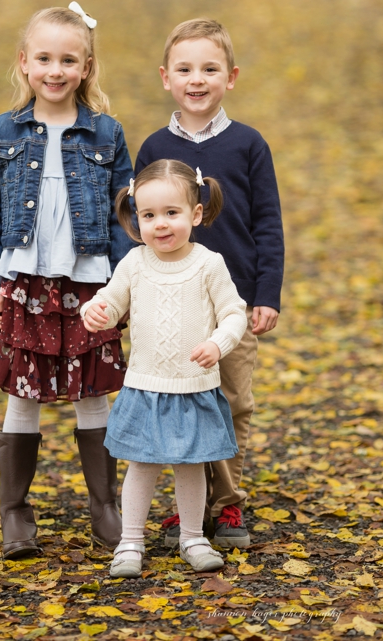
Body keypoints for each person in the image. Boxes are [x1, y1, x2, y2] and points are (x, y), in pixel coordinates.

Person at [0, 2, 137, 559]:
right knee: (24, 394)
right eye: (44, 58)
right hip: (25, 284)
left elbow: (124, 215)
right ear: (24, 62)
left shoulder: (107, 132)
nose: (55, 70)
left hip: (90, 283)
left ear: (86, 67)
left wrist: (121, 287)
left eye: (68, 60)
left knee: (93, 392)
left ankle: (104, 506)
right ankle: (14, 512)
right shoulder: (4, 131)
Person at [133, 18, 283, 548]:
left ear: (231, 77)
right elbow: (138, 227)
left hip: (232, 304)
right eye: (185, 69)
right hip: (171, 304)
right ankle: (188, 509)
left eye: (210, 69)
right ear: (166, 77)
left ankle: (227, 504)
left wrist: (266, 294)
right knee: (183, 405)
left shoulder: (248, 144)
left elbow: (267, 223)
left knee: (233, 401)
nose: (197, 79)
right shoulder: (154, 147)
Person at [81, 159, 248, 577]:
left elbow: (234, 313)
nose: (160, 224)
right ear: (136, 218)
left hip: (193, 386)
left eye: (172, 213)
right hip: (146, 386)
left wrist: (218, 342)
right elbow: (111, 300)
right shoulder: (134, 263)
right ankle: (130, 542)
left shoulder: (209, 264)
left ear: (196, 214)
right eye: (148, 215)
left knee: (191, 466)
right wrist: (95, 311)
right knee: (141, 466)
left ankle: (193, 537)